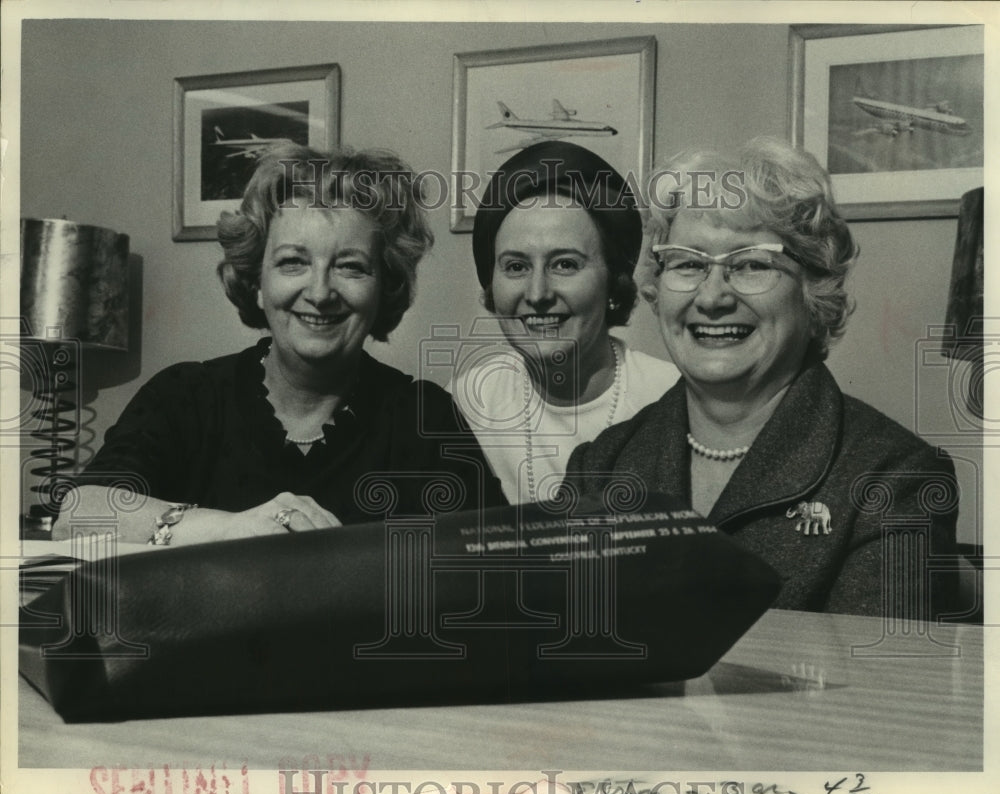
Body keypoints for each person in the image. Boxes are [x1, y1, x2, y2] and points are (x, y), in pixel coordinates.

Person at [565, 137, 960, 619]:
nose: (712, 298)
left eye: (750, 264)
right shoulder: (601, 464)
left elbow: (872, 689)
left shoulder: (895, 479)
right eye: (688, 263)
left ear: (815, 293)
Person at [54, 144, 505, 545]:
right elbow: (76, 516)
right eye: (293, 262)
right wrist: (228, 529)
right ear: (256, 283)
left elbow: (489, 571)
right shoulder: (186, 396)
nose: (320, 292)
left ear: (385, 288)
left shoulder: (425, 417)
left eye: (350, 267)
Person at [449, 141, 679, 504]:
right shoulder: (469, 402)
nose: (538, 293)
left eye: (565, 264)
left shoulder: (673, 397)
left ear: (613, 283)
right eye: (516, 266)